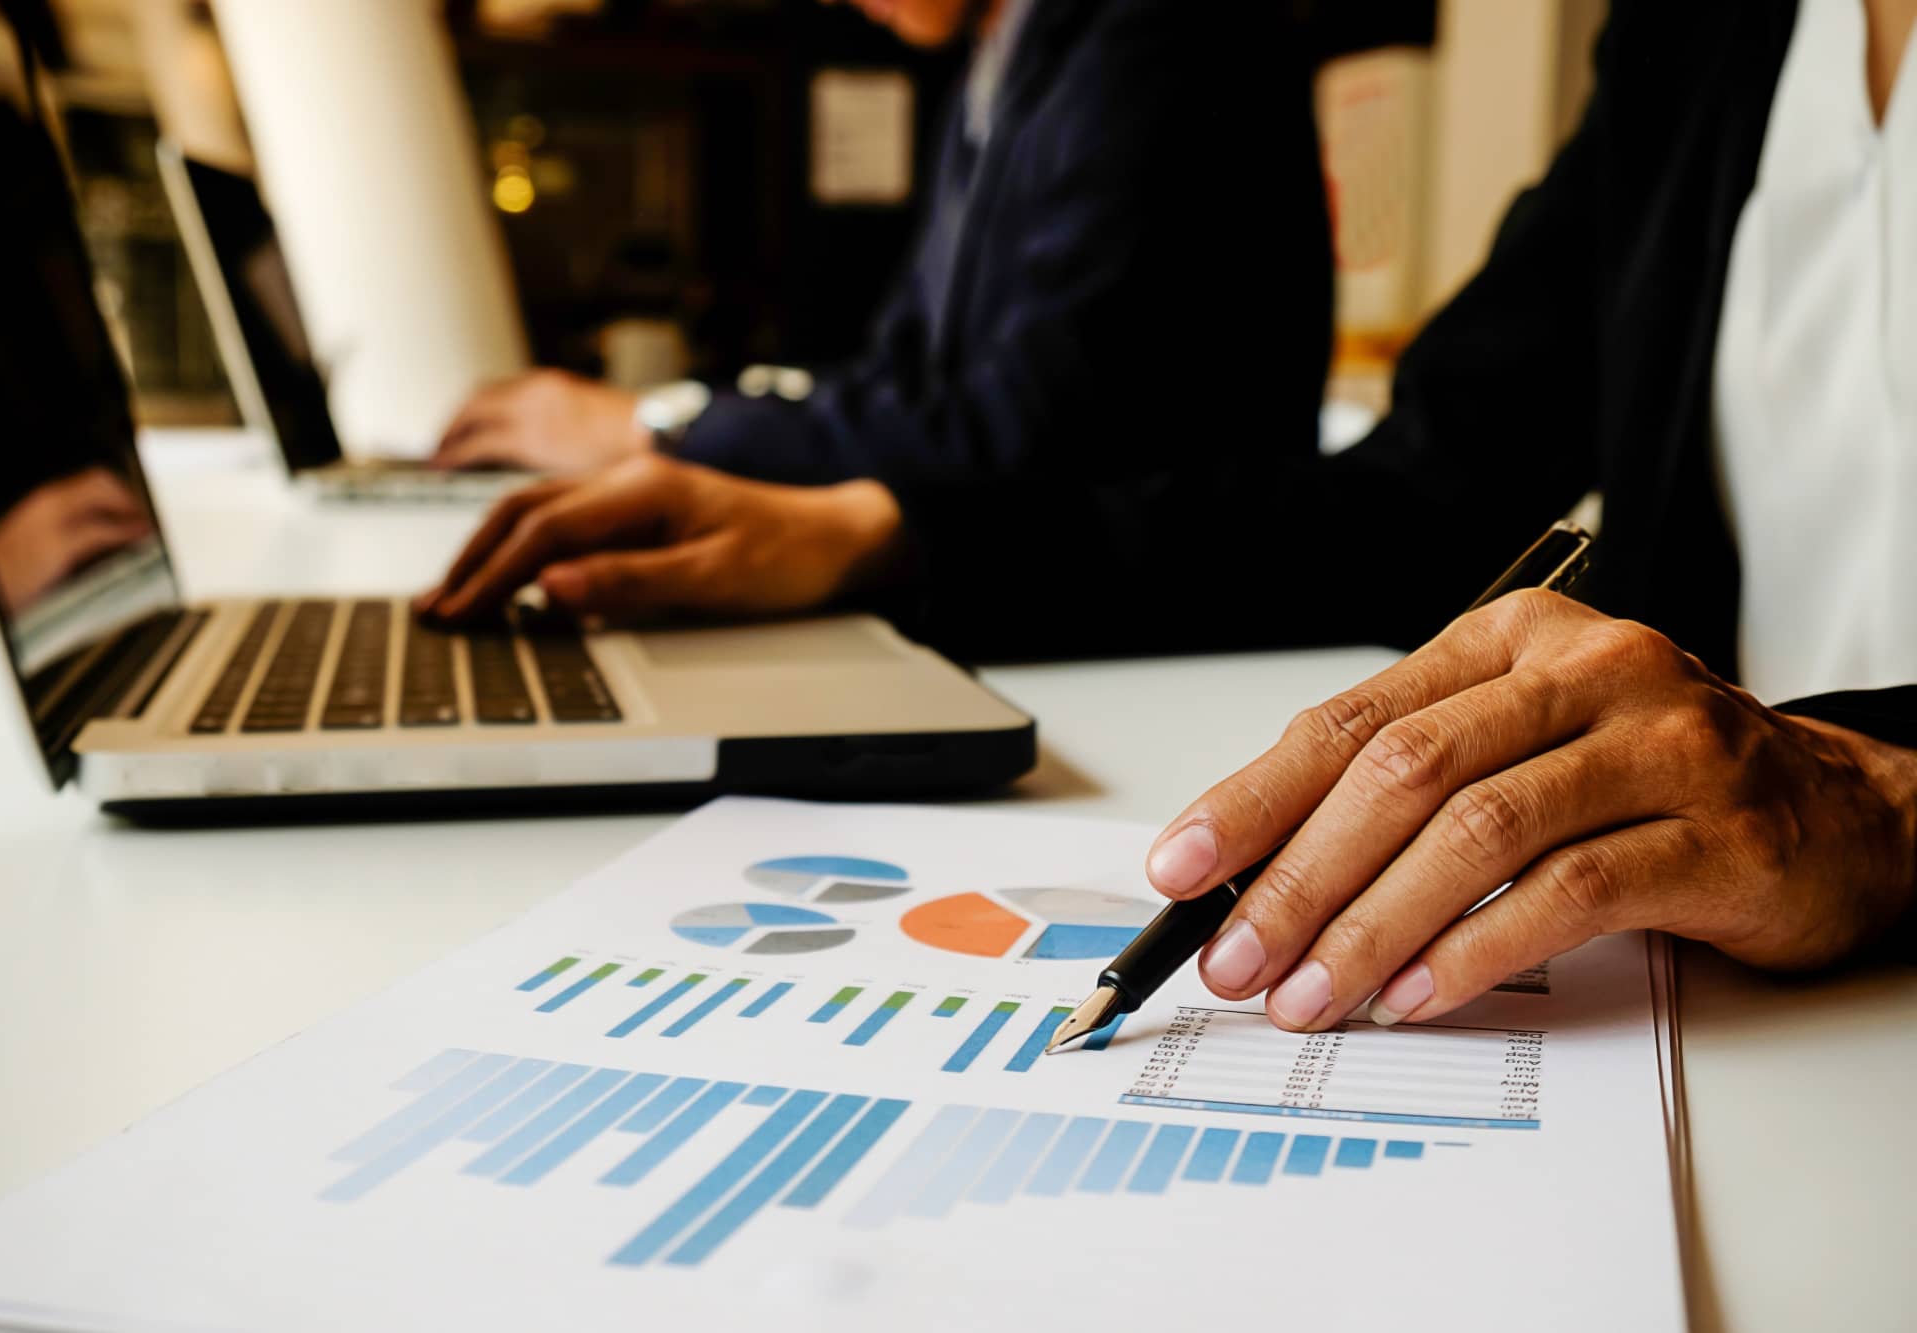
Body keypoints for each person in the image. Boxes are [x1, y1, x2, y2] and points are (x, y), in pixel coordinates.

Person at [423, 0, 1917, 1017]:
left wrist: (1873, 791)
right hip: (1716, 1000)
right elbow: (1415, 500)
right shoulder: (1699, 29)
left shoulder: (1146, 38)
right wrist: (898, 541)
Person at [426, 0, 1331, 507]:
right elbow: (898, 378)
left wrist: (652, 427)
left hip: (1162, 629)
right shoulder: (996, 61)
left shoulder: (1153, 38)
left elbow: (1027, 435)